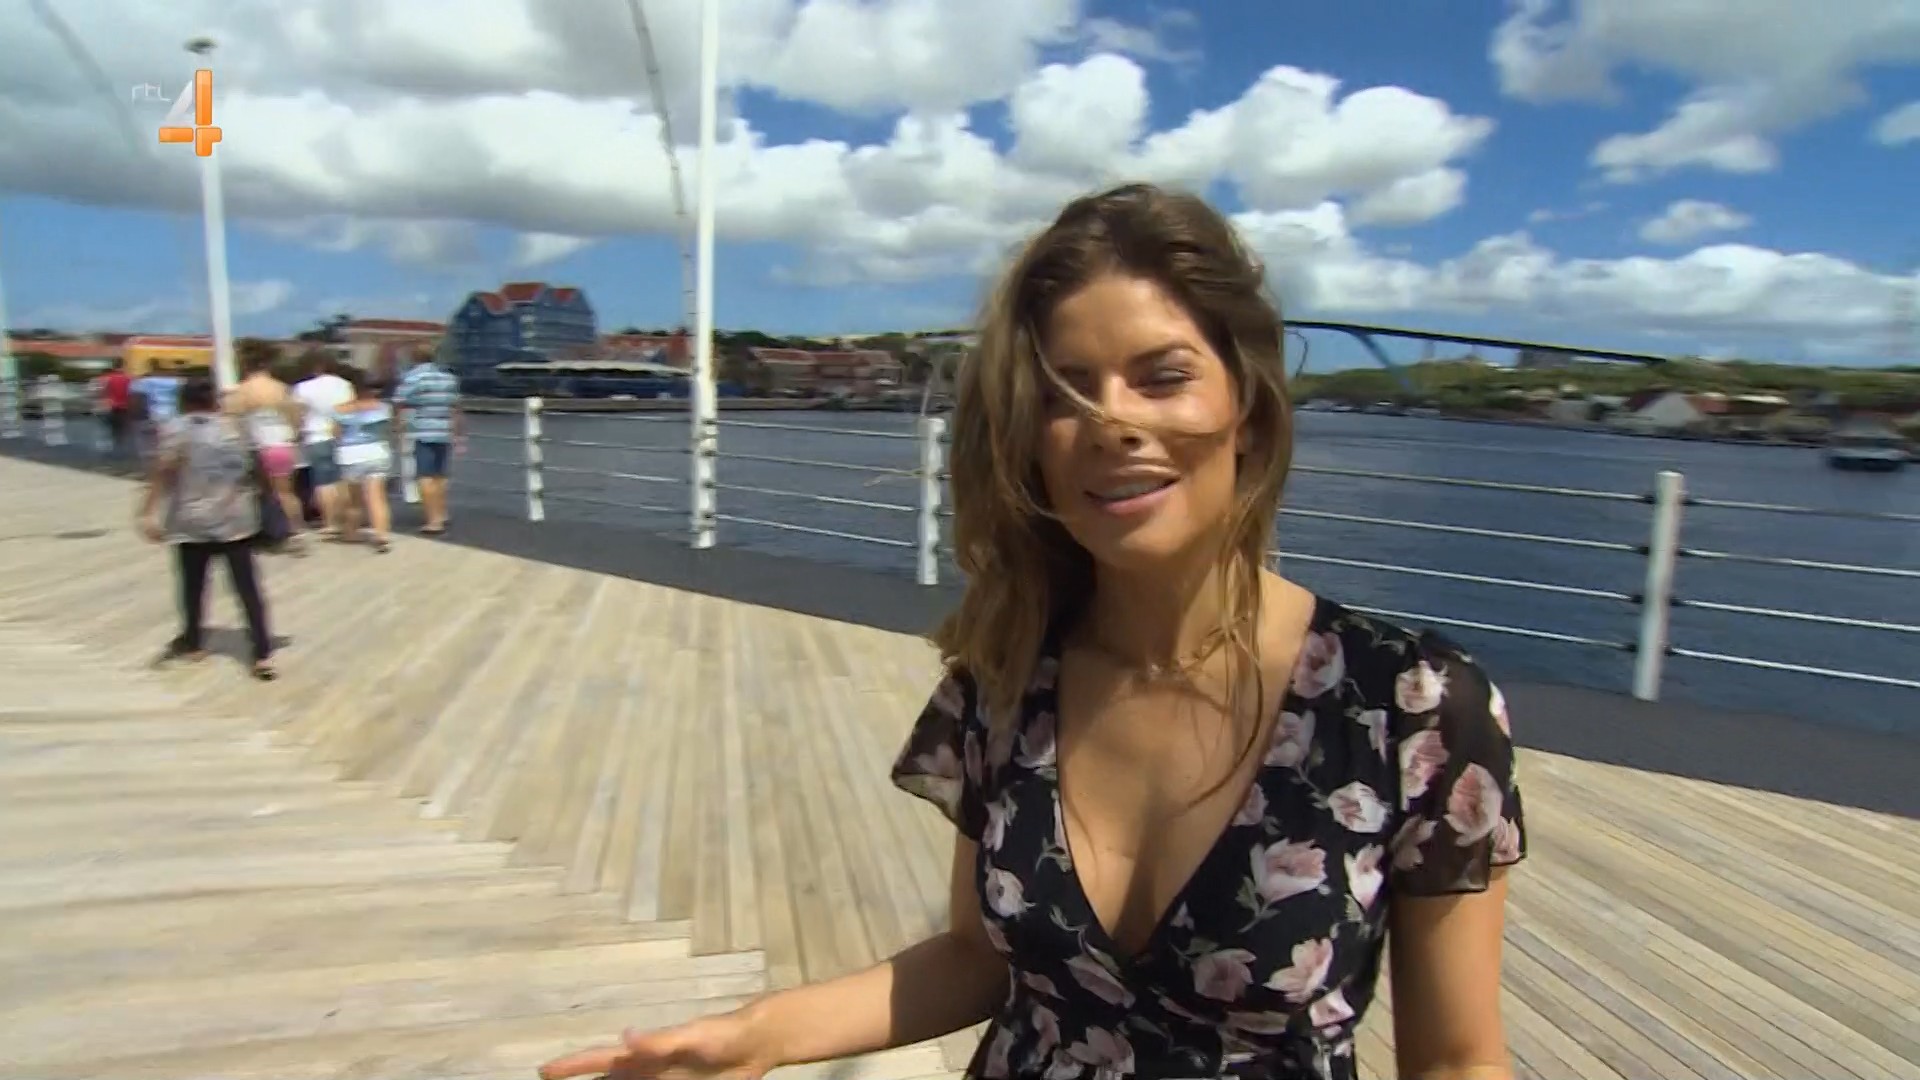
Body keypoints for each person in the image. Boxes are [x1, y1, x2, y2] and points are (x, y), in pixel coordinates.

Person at [540, 184, 1527, 1080]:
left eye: (1162, 377)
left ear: (1251, 419)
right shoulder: (1007, 682)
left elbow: (1456, 1059)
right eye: (1064, 393)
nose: (1109, 421)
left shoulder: (1409, 710)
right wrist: (759, 1036)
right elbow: (976, 960)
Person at [136, 374, 276, 681]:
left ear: (184, 401)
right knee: (247, 587)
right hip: (236, 518)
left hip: (192, 518)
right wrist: (269, 501)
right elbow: (259, 469)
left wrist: (147, 512)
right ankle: (262, 653)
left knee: (192, 584)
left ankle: (193, 641)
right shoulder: (237, 428)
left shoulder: (176, 429)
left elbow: (163, 471)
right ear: (214, 400)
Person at [225, 351, 306, 552]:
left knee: (264, 492)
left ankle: (270, 532)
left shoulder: (243, 390)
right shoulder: (281, 388)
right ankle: (296, 532)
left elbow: (231, 419)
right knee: (286, 493)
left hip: (259, 446)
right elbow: (297, 416)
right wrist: (294, 433)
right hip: (284, 444)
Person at [392, 346, 463, 534]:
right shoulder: (449, 378)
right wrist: (458, 433)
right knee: (440, 476)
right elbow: (456, 407)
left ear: (413, 358)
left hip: (422, 431)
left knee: (425, 476)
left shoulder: (413, 377)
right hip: (444, 430)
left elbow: (399, 402)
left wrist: (398, 428)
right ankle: (442, 512)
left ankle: (434, 521)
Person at [331, 367, 395, 553]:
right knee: (377, 497)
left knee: (354, 499)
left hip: (350, 455)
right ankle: (382, 536)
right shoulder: (383, 408)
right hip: (377, 451)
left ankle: (351, 532)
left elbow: (336, 434)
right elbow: (390, 430)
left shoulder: (340, 409)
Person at [290, 353, 354, 535]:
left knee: (322, 482)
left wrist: (296, 433)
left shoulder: (302, 387)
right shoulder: (344, 385)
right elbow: (348, 411)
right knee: (340, 479)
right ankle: (344, 519)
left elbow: (298, 415)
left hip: (315, 435)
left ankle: (329, 522)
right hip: (341, 436)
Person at [97, 359, 133, 459]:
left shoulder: (107, 378)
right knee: (122, 431)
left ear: (113, 366)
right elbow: (132, 394)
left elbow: (102, 392)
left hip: (110, 407)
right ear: (124, 366)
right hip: (125, 408)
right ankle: (121, 451)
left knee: (108, 429)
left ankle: (108, 451)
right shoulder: (129, 379)